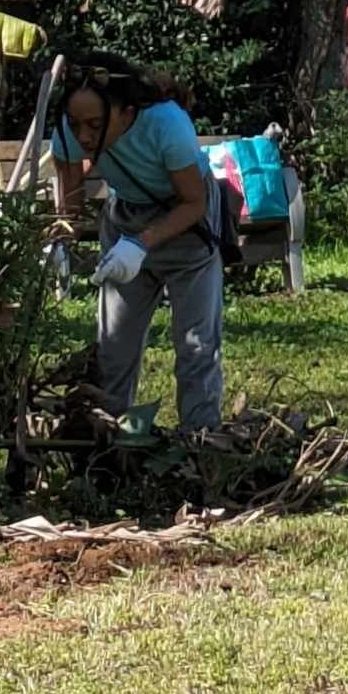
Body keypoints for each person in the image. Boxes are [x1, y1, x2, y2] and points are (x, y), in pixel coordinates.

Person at [51, 62, 224, 433]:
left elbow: (193, 204)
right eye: (75, 123)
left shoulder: (167, 125)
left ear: (126, 113)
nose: (82, 135)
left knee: (196, 348)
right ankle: (107, 446)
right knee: (113, 351)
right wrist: (58, 240)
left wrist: (140, 245)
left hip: (187, 227)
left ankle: (202, 444)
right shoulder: (70, 128)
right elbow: (71, 203)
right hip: (126, 219)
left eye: (95, 126)